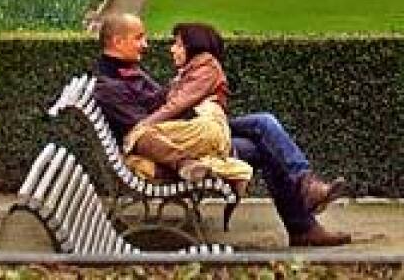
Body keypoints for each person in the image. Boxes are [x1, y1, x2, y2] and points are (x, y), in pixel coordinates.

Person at [94, 13, 352, 247]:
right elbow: (144, 134)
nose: (146, 44)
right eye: (139, 38)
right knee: (264, 138)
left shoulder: (125, 74)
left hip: (190, 130)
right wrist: (185, 143)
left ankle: (306, 192)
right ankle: (304, 217)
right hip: (184, 143)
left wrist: (187, 89)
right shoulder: (111, 86)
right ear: (118, 42)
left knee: (264, 124)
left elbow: (161, 104)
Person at [123, 23, 253, 190]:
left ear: (193, 46)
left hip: (206, 128)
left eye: (178, 45)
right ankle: (223, 170)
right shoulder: (191, 70)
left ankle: (228, 170)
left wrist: (142, 125)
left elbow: (176, 104)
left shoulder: (206, 67)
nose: (172, 49)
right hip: (202, 129)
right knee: (138, 159)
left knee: (142, 138)